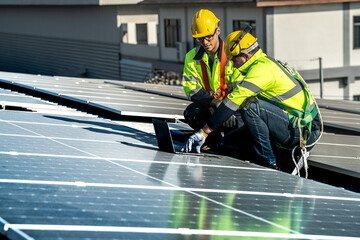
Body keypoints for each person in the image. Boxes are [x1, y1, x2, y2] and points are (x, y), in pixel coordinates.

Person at [182, 26, 323, 175]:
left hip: (303, 132)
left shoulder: (262, 70)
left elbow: (233, 101)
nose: (233, 64)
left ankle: (268, 162)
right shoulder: (258, 64)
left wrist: (203, 133)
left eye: (233, 59)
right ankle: (268, 155)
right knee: (227, 144)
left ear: (246, 55)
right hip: (287, 124)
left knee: (249, 105)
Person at [182, 9, 243, 132]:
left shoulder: (232, 54)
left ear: (218, 31)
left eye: (209, 37)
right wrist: (216, 103)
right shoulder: (191, 57)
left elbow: (242, 89)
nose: (205, 42)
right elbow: (191, 89)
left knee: (236, 127)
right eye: (200, 38)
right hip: (211, 105)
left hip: (235, 108)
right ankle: (211, 141)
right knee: (192, 112)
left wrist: (227, 108)